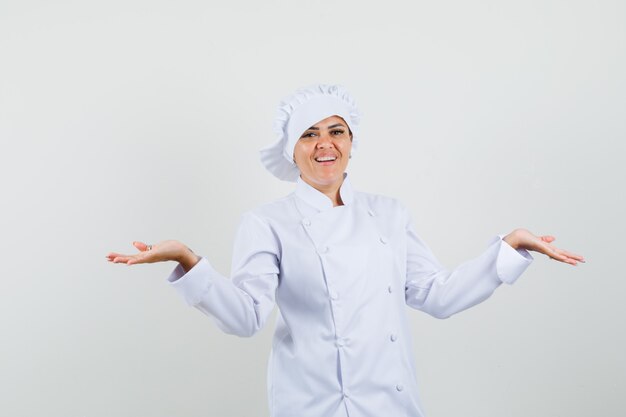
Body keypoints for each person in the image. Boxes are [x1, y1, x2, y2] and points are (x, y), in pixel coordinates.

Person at [106, 84, 584, 417]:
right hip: (311, 405)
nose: (324, 145)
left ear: (352, 142)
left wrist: (508, 249)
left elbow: (436, 296)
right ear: (292, 150)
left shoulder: (390, 214)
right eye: (309, 134)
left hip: (391, 405)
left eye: (335, 131)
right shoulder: (265, 223)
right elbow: (245, 318)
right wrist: (187, 261)